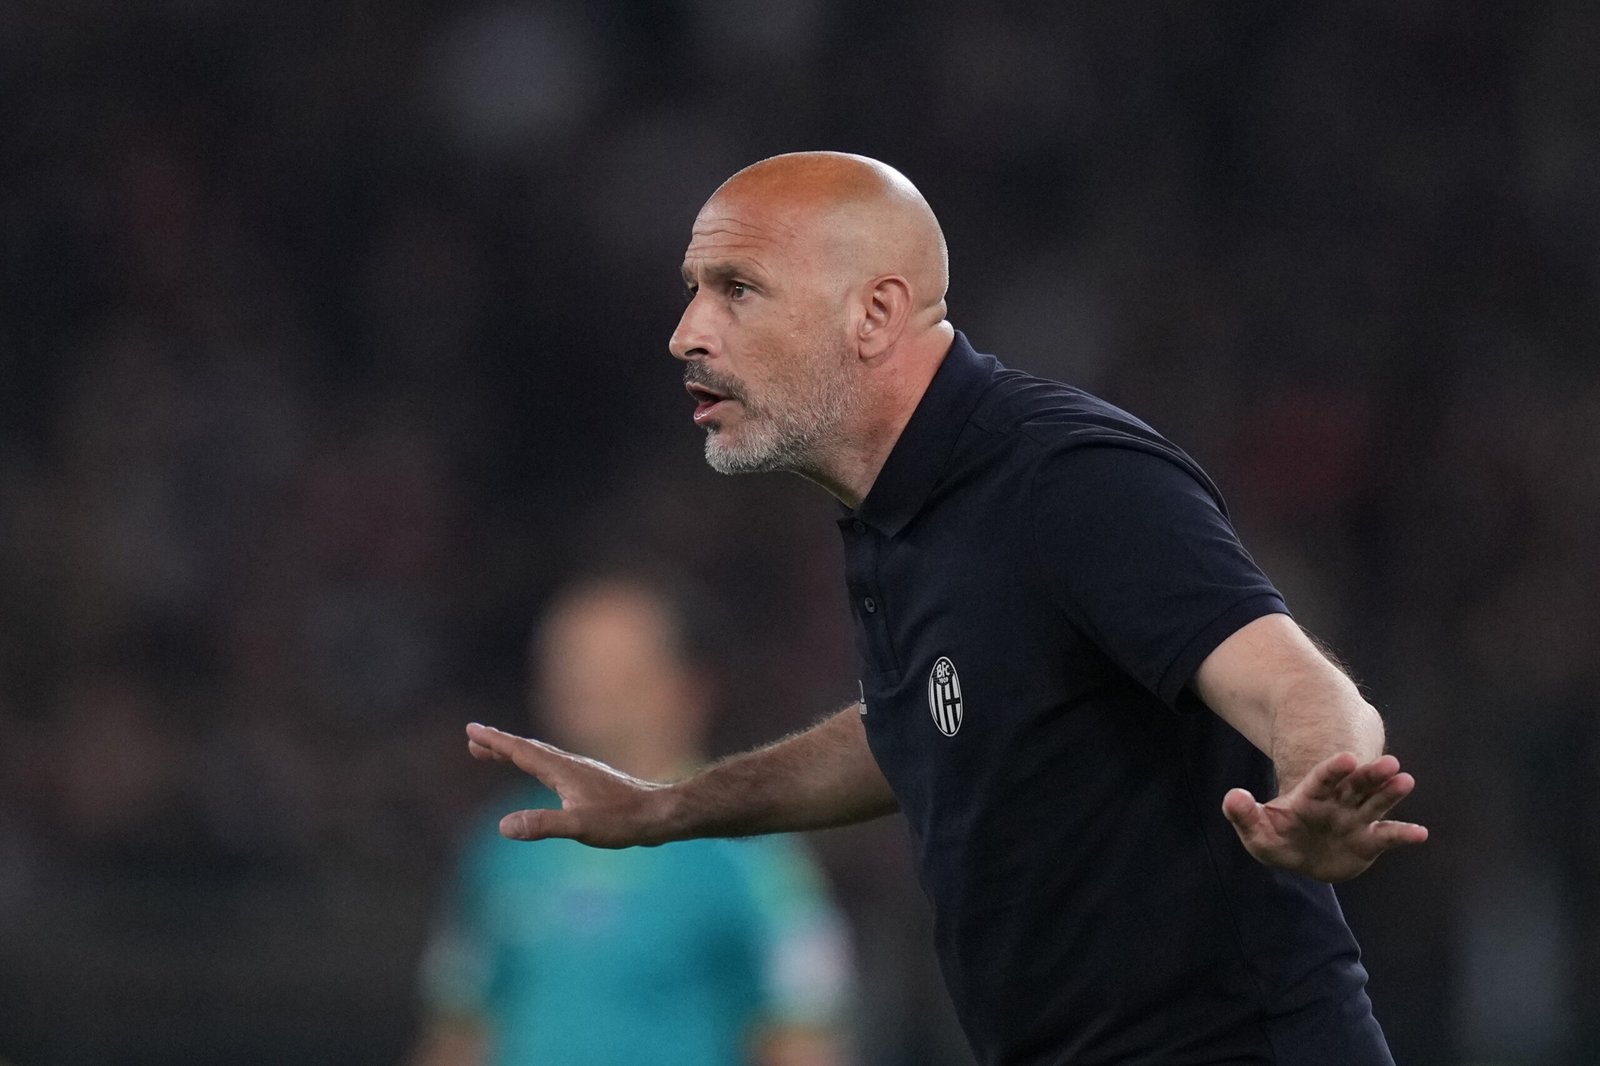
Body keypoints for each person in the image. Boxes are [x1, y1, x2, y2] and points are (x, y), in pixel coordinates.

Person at [465, 152, 1429, 1065]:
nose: (687, 333)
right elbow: (919, 723)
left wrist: (1321, 780)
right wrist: (666, 807)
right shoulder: (899, 513)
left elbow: (1292, 679)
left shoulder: (1066, 477)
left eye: (738, 288)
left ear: (876, 312)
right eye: (694, 288)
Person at [416, 574, 853, 1066]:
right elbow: (461, 1029)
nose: (578, 683)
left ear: (687, 687)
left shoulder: (752, 854)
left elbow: (803, 1033)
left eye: (608, 664)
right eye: (564, 661)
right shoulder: (506, 839)